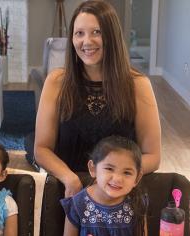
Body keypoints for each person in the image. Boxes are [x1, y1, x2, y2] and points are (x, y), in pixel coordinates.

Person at [34, 0, 161, 198]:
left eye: (96, 32)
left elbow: (153, 156)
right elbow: (41, 149)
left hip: (118, 192)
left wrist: (113, 177)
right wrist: (69, 178)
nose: (86, 41)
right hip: (69, 189)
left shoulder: (137, 84)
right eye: (79, 33)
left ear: (111, 36)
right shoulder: (57, 81)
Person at [61, 135, 147, 236]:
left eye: (127, 172)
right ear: (93, 169)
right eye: (109, 169)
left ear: (137, 178)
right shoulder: (77, 205)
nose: (117, 179)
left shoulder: (138, 202)